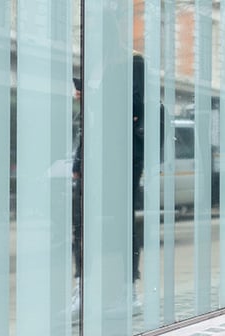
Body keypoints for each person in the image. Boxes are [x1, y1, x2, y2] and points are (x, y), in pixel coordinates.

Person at [70, 51, 146, 317]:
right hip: (93, 151)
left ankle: (129, 292)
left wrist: (96, 95)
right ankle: (82, 290)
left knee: (121, 223)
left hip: (122, 154)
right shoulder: (94, 65)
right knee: (80, 222)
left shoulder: (132, 62)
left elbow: (136, 105)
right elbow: (89, 122)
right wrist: (78, 162)